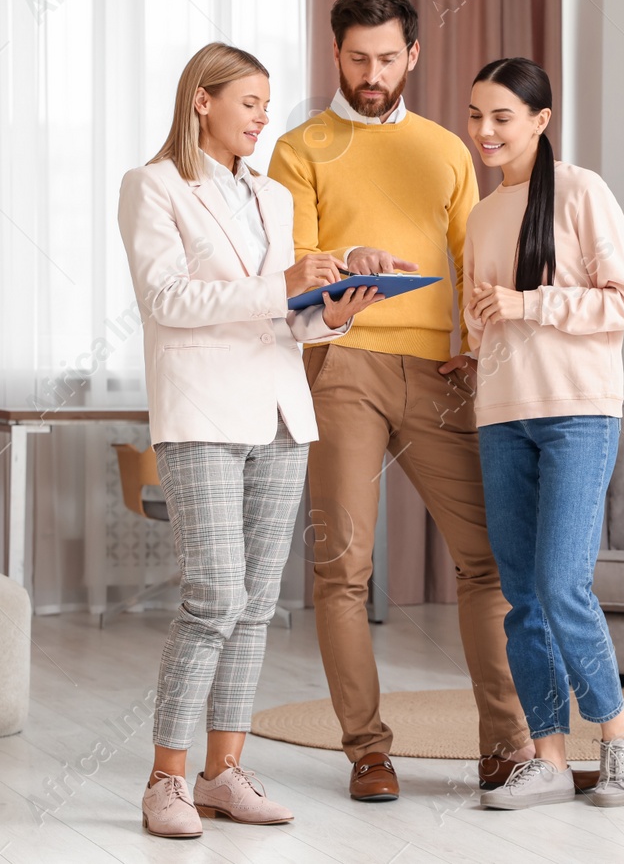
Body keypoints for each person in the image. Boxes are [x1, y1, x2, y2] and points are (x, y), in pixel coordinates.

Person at [268, 0, 542, 802]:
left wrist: (474, 349)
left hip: (439, 371)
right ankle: (367, 750)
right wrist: (342, 272)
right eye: (357, 59)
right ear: (336, 54)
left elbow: (475, 256)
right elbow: (298, 259)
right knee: (342, 568)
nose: (372, 74)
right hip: (342, 366)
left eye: (388, 59)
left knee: (486, 558)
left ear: (413, 56)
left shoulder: (447, 149)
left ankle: (507, 744)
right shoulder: (298, 148)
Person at [117, 42, 382, 837]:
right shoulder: (153, 186)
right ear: (203, 99)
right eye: (251, 102)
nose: (265, 117)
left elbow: (280, 317)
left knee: (258, 604)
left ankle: (223, 773)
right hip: (201, 415)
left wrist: (327, 311)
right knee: (213, 597)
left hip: (279, 413)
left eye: (269, 105)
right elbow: (168, 297)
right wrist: (284, 284)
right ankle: (164, 780)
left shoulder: (270, 197)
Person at [459, 57, 624, 809]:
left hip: (578, 411)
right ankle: (545, 754)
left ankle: (616, 732)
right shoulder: (483, 213)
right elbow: (490, 321)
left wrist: (526, 305)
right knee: (521, 596)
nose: (484, 130)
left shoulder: (580, 191)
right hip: (503, 415)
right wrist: (478, 338)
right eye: (476, 115)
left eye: (502, 116)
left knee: (561, 582)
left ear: (541, 120)